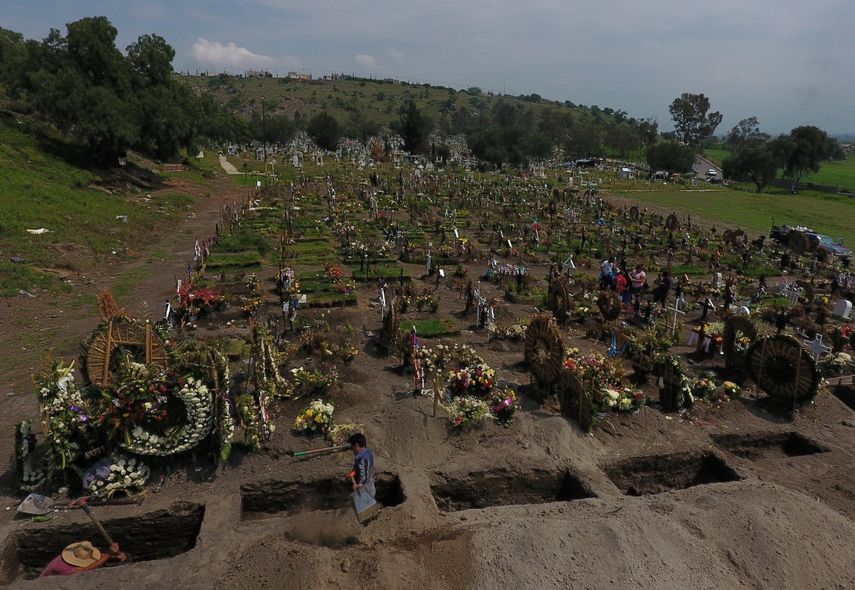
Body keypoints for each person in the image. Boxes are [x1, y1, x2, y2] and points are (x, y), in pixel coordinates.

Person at [40, 540, 125, 577]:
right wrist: (109, 554)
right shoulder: (60, 566)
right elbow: (86, 569)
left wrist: (115, 556)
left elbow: (97, 558)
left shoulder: (75, 552)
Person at [348, 433, 375, 499]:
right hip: (364, 483)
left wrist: (361, 484)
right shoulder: (365, 453)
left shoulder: (363, 458)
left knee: (366, 502)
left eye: (352, 447)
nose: (352, 449)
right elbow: (359, 468)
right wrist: (353, 472)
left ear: (357, 445)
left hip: (366, 487)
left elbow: (365, 473)